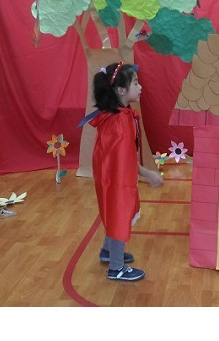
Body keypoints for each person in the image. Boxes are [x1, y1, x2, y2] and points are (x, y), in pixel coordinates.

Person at [89, 61, 163, 281]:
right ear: (121, 90)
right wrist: (147, 174)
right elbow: (124, 160)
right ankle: (116, 267)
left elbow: (123, 157)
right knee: (119, 214)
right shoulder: (119, 121)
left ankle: (107, 251)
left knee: (114, 212)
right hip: (115, 176)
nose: (140, 87)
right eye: (136, 83)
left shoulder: (119, 114)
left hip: (111, 174)